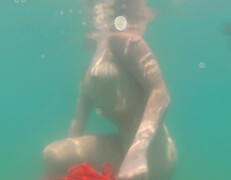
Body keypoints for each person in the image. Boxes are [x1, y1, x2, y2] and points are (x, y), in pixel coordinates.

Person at [43, 0, 177, 179]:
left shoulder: (123, 39)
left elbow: (160, 93)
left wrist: (136, 154)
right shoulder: (89, 72)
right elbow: (74, 132)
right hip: (122, 148)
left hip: (152, 152)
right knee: (53, 155)